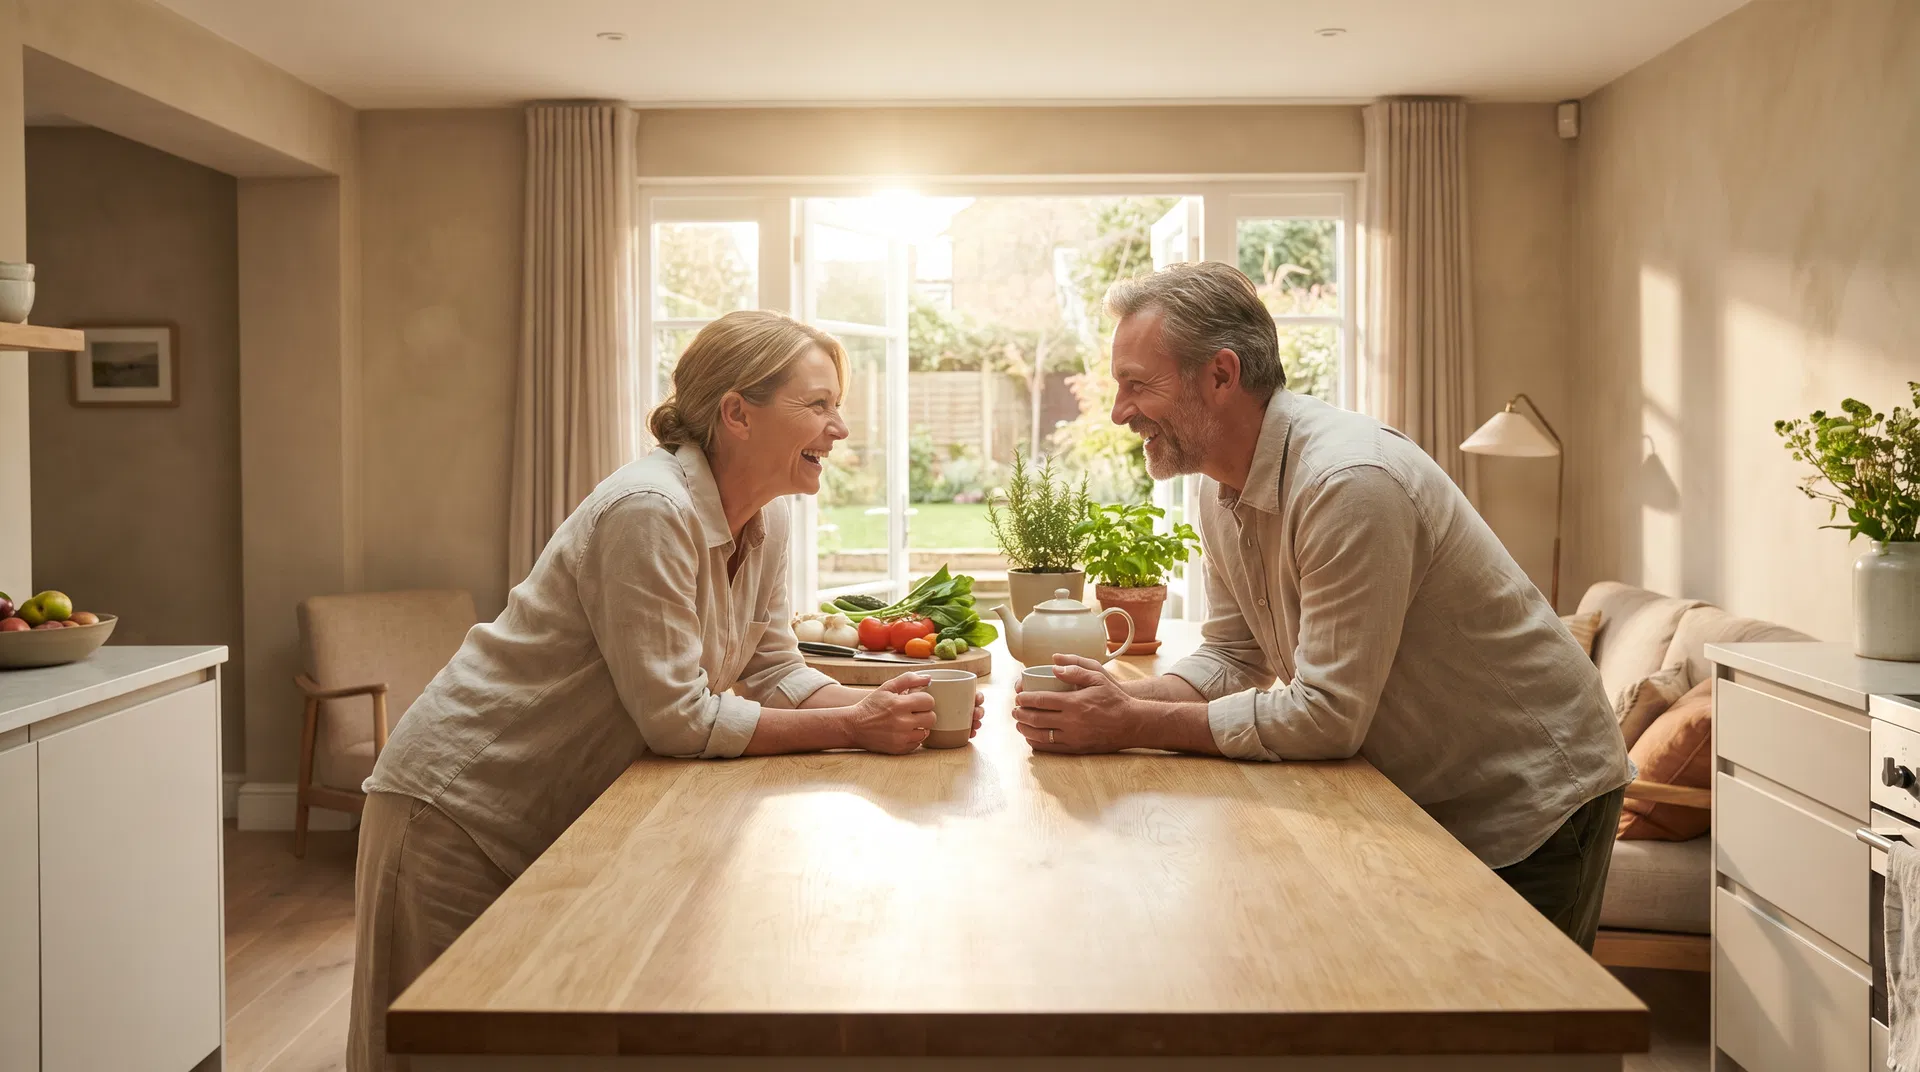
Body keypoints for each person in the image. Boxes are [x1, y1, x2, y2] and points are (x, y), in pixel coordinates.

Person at [346, 310, 984, 1071]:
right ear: (737, 414)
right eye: (818, 405)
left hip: (558, 813)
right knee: (428, 1054)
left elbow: (776, 670)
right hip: (454, 809)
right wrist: (857, 727)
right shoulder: (649, 512)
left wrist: (902, 706)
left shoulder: (765, 522)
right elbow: (680, 721)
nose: (840, 427)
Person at [1011, 262, 1631, 950]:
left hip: (1530, 797)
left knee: (1519, 1041)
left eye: (1138, 385)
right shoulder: (1219, 487)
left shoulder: (1349, 483)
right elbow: (1233, 653)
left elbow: (1328, 716)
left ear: (1220, 376)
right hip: (1423, 792)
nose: (1119, 411)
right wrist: (1114, 704)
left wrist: (1130, 721)